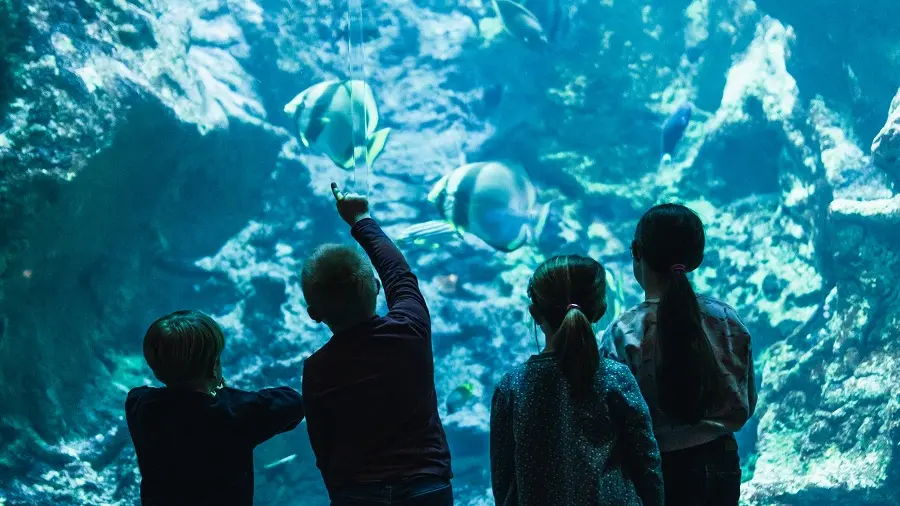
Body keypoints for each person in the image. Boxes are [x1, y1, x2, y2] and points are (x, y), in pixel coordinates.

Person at [300, 183, 453, 505]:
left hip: (358, 492)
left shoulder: (318, 368)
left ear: (314, 314)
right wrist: (361, 218)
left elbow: (322, 443)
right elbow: (399, 273)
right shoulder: (410, 330)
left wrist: (340, 492)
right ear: (377, 289)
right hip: (426, 485)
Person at [601, 203, 757, 506]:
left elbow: (611, 419)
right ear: (696, 257)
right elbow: (746, 399)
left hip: (657, 470)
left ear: (636, 252)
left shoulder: (624, 333)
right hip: (722, 461)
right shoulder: (726, 319)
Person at [490, 255, 664, 506]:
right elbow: (646, 461)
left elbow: (504, 481)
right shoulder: (615, 376)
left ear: (534, 313)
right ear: (601, 310)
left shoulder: (512, 387)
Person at [126, 310, 306, 506]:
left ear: (155, 368)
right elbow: (293, 402)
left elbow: (158, 396)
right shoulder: (235, 413)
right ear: (214, 366)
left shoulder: (140, 406)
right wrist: (224, 392)